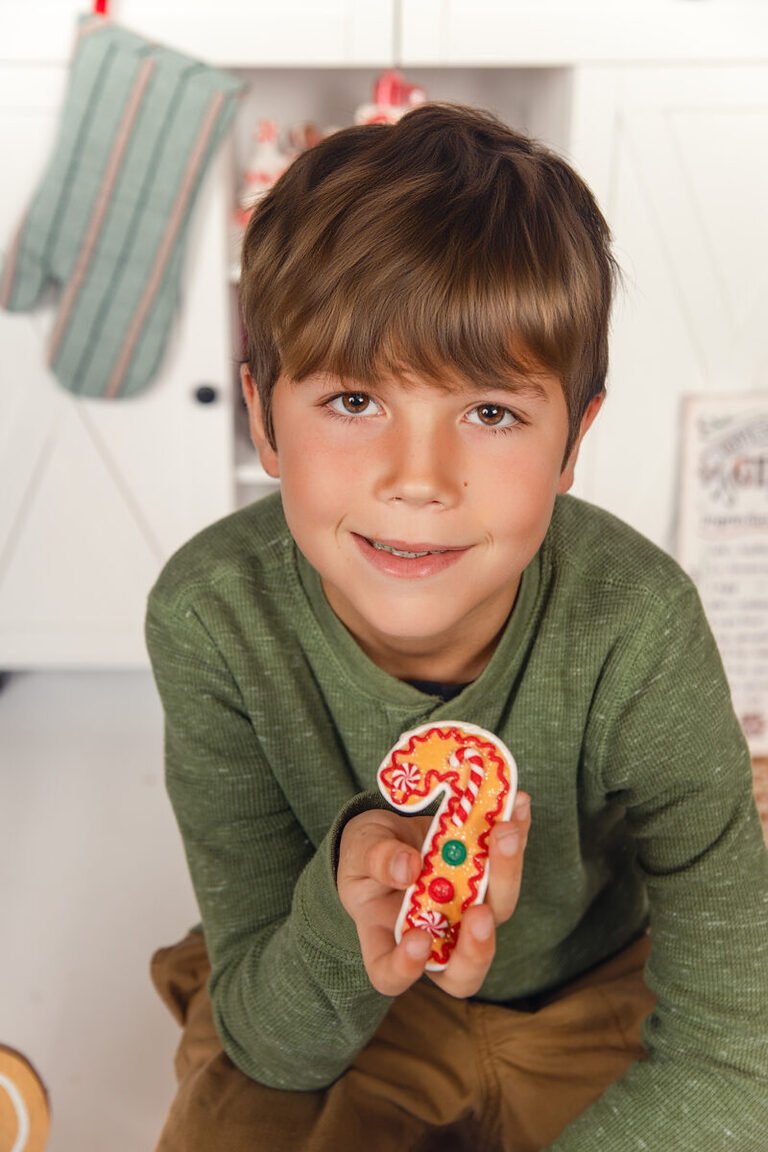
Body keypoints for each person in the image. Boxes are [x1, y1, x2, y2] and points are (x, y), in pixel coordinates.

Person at [145, 103, 768, 1151]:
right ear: (262, 416)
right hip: (337, 982)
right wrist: (351, 913)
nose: (418, 481)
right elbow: (269, 1034)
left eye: (489, 413)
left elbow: (738, 1047)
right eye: (351, 400)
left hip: (597, 991)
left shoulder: (641, 628)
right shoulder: (213, 619)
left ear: (574, 441)